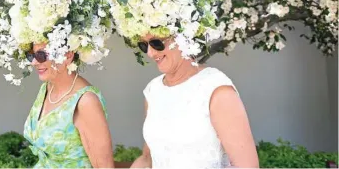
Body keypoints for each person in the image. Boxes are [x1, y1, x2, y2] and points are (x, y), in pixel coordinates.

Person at [130, 34, 259, 169]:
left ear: (182, 37)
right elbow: (147, 158)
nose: (150, 53)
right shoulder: (153, 90)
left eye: (157, 43)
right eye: (144, 46)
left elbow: (246, 166)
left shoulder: (216, 89)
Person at [23, 42, 114, 168]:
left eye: (41, 55)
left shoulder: (85, 101)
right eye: (31, 55)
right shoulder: (46, 88)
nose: (34, 62)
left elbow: (104, 166)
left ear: (68, 55)